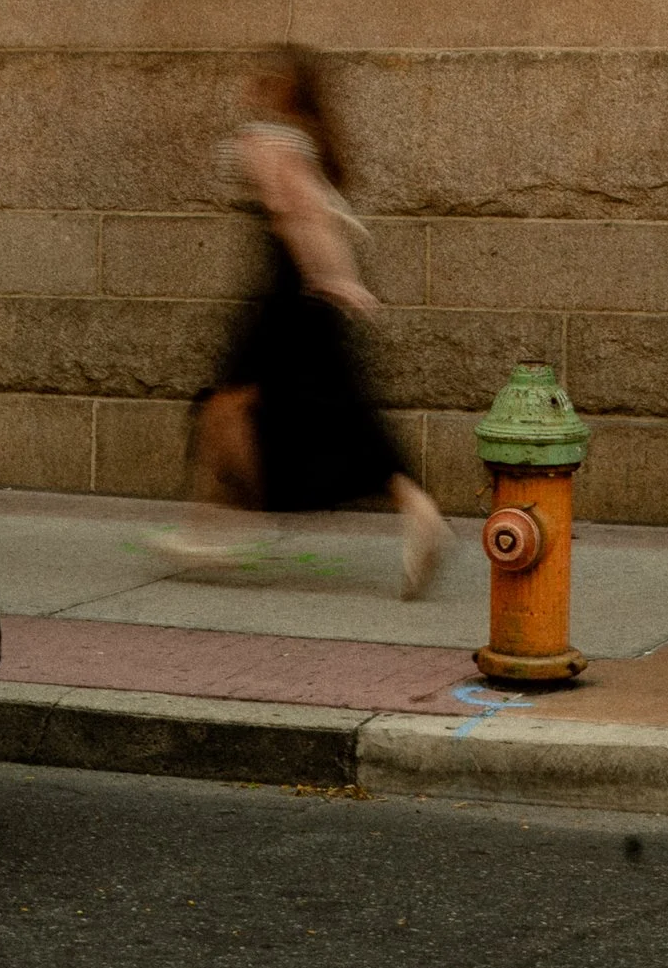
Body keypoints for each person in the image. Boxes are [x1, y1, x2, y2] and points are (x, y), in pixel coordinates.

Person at [162, 48, 451, 598]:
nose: (249, 84)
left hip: (284, 296)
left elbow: (298, 216)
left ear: (279, 87)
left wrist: (334, 276)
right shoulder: (305, 141)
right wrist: (342, 276)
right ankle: (415, 510)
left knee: (231, 406)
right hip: (303, 292)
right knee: (328, 412)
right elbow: (326, 214)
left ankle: (221, 525)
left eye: (261, 76)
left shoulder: (269, 143)